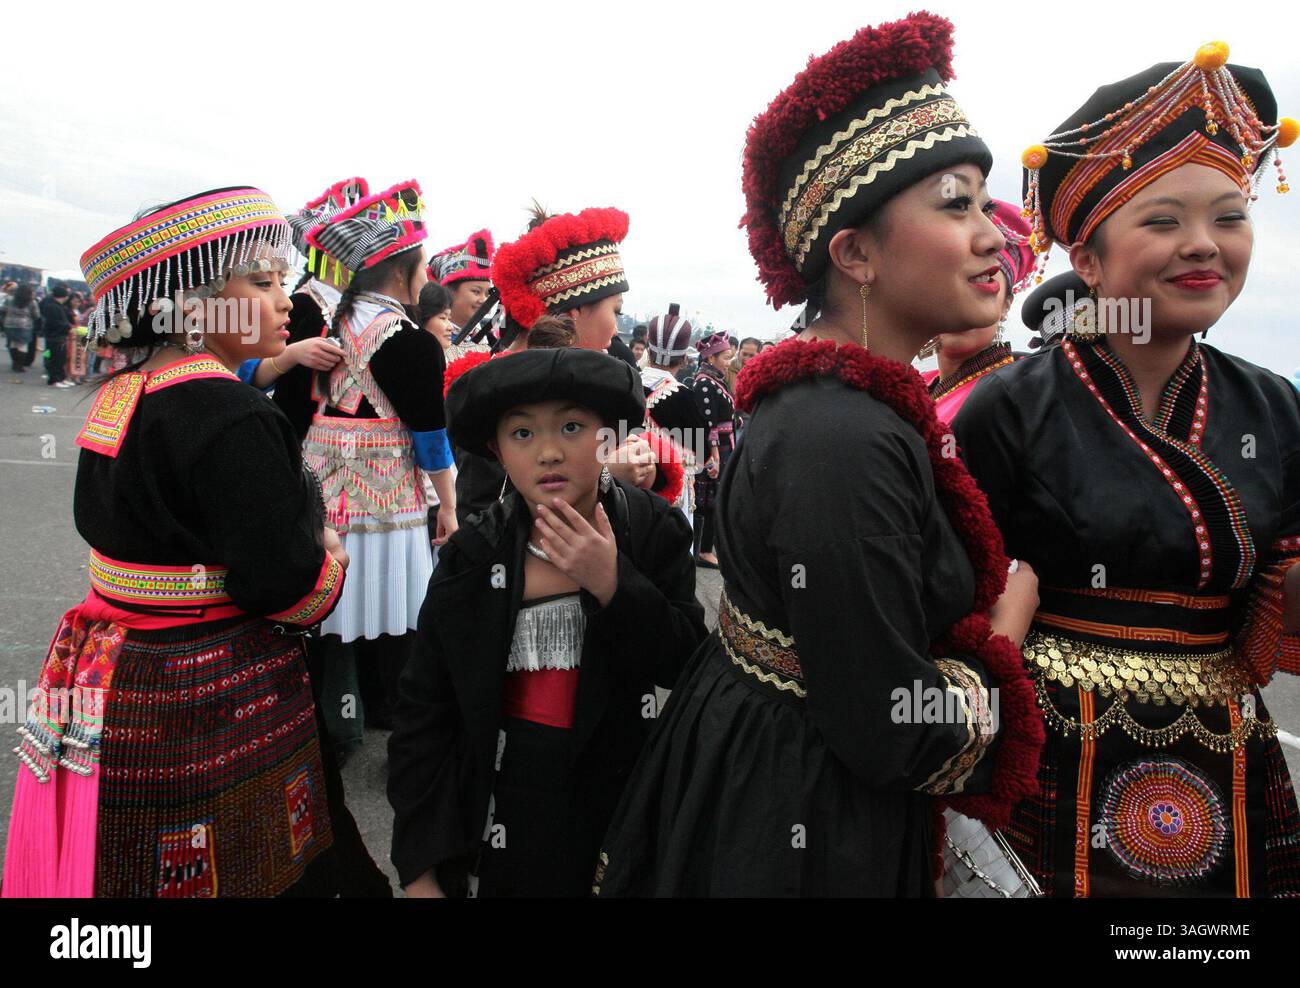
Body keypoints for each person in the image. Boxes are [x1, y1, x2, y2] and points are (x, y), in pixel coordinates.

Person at [594, 13, 1044, 897]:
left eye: (985, 200)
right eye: (957, 204)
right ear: (855, 253)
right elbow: (885, 721)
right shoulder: (843, 437)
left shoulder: (842, 408)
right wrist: (1006, 632)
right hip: (804, 812)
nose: (995, 232)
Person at [955, 41, 1300, 897]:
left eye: (1229, 217)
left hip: (1226, 746)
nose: (1204, 247)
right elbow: (962, 601)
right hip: (1053, 746)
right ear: (1091, 262)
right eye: (1162, 221)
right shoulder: (1013, 407)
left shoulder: (1275, 408)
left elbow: (1283, 589)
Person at [2, 187, 351, 897]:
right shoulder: (233, 414)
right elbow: (282, 584)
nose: (287, 300)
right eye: (262, 282)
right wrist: (330, 562)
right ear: (193, 306)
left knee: (136, 860)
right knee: (240, 857)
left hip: (119, 672)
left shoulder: (124, 390)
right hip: (207, 685)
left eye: (283, 281)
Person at [388, 347, 707, 897]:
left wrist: (612, 581)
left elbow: (687, 663)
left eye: (572, 426)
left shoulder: (651, 531)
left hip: (626, 802)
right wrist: (421, 870)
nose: (549, 452)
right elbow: (425, 715)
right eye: (523, 435)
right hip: (509, 804)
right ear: (497, 450)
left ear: (609, 436)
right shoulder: (472, 556)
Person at [300, 179, 457, 753]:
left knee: (331, 613)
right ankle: (400, 727)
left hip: (322, 489)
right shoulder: (409, 340)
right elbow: (430, 434)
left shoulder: (326, 320)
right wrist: (449, 504)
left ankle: (337, 724)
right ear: (402, 272)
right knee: (398, 614)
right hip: (386, 494)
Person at [449, 206, 654, 523]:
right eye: (614, 311)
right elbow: (483, 517)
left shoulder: (592, 384)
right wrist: (604, 476)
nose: (615, 329)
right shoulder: (496, 391)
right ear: (574, 313)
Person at [920, 200, 1035, 423]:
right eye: (948, 283)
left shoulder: (1023, 390)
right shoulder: (914, 387)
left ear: (1006, 305)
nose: (960, 302)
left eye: (984, 281)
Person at [642, 304, 707, 522]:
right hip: (672, 491)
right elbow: (702, 452)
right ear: (683, 359)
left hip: (631, 488)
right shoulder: (682, 397)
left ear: (648, 350)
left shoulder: (627, 385)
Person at [690, 332, 737, 568]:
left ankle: (705, 548)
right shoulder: (705, 383)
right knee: (708, 500)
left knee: (716, 499)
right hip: (717, 447)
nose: (729, 362)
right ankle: (703, 550)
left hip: (726, 444)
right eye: (726, 357)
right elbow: (708, 424)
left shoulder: (716, 380)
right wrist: (715, 457)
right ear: (711, 358)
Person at [2, 282, 40, 373]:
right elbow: (36, 315)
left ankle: (14, 363)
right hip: (25, 326)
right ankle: (20, 365)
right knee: (23, 346)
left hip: (9, 325)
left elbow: (3, 310)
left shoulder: (9, 300)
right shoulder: (32, 302)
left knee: (13, 344)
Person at [41, 282, 73, 387]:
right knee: (56, 358)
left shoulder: (55, 305)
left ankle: (61, 377)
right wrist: (68, 327)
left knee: (61, 358)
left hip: (57, 336)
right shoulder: (52, 307)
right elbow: (55, 323)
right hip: (55, 336)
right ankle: (55, 379)